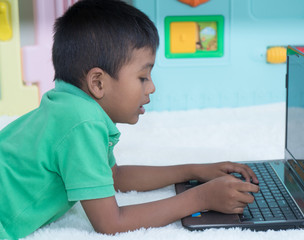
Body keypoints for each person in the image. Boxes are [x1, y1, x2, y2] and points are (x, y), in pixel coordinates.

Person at [0, 0, 259, 238]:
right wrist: (200, 198)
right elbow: (110, 223)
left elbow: (115, 177)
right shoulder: (82, 123)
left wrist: (192, 171)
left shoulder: (70, 107)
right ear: (98, 82)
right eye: (143, 77)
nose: (152, 88)